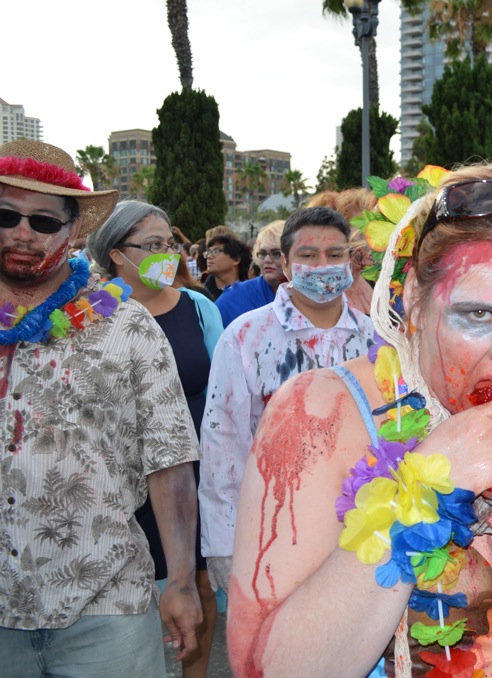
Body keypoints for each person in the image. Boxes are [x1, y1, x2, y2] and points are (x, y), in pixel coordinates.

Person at [227, 164, 492, 676]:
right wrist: (425, 483)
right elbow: (264, 668)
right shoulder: (317, 413)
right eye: (480, 315)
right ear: (415, 298)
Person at [0, 141, 201, 675]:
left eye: (42, 220)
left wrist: (181, 583)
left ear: (73, 233)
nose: (23, 232)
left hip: (104, 606)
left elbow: (171, 461)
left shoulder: (128, 326)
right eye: (5, 215)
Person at [198, 206, 374, 596]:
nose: (323, 265)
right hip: (273, 535)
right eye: (308, 256)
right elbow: (222, 443)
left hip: (366, 534)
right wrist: (223, 545)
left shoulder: (375, 338)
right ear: (287, 266)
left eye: (335, 254)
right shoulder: (246, 336)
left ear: (350, 260)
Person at [87, 200, 224, 678]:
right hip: (118, 472)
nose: (166, 255)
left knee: (195, 582)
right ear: (116, 254)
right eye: (151, 245)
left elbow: (221, 394)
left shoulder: (198, 308)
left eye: (169, 244)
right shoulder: (89, 313)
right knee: (126, 587)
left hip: (190, 469)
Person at [306, 187, 378, 314]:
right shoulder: (324, 292)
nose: (373, 243)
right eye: (362, 235)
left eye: (373, 232)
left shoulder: (372, 281)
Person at [215, 220, 285, 326]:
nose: (267, 259)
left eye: (276, 253)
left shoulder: (311, 296)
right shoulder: (234, 299)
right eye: (262, 253)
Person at [203, 232, 250, 300]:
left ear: (236, 259)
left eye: (216, 251)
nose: (209, 256)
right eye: (208, 252)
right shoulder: (201, 297)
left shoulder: (251, 292)